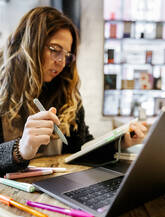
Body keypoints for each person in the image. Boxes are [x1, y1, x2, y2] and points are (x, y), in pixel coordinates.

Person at [0, 6, 147, 176]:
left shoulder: (66, 95)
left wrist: (119, 142)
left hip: (51, 189)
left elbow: (81, 149)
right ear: (30, 44)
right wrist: (19, 150)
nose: (62, 62)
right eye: (55, 50)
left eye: (67, 55)